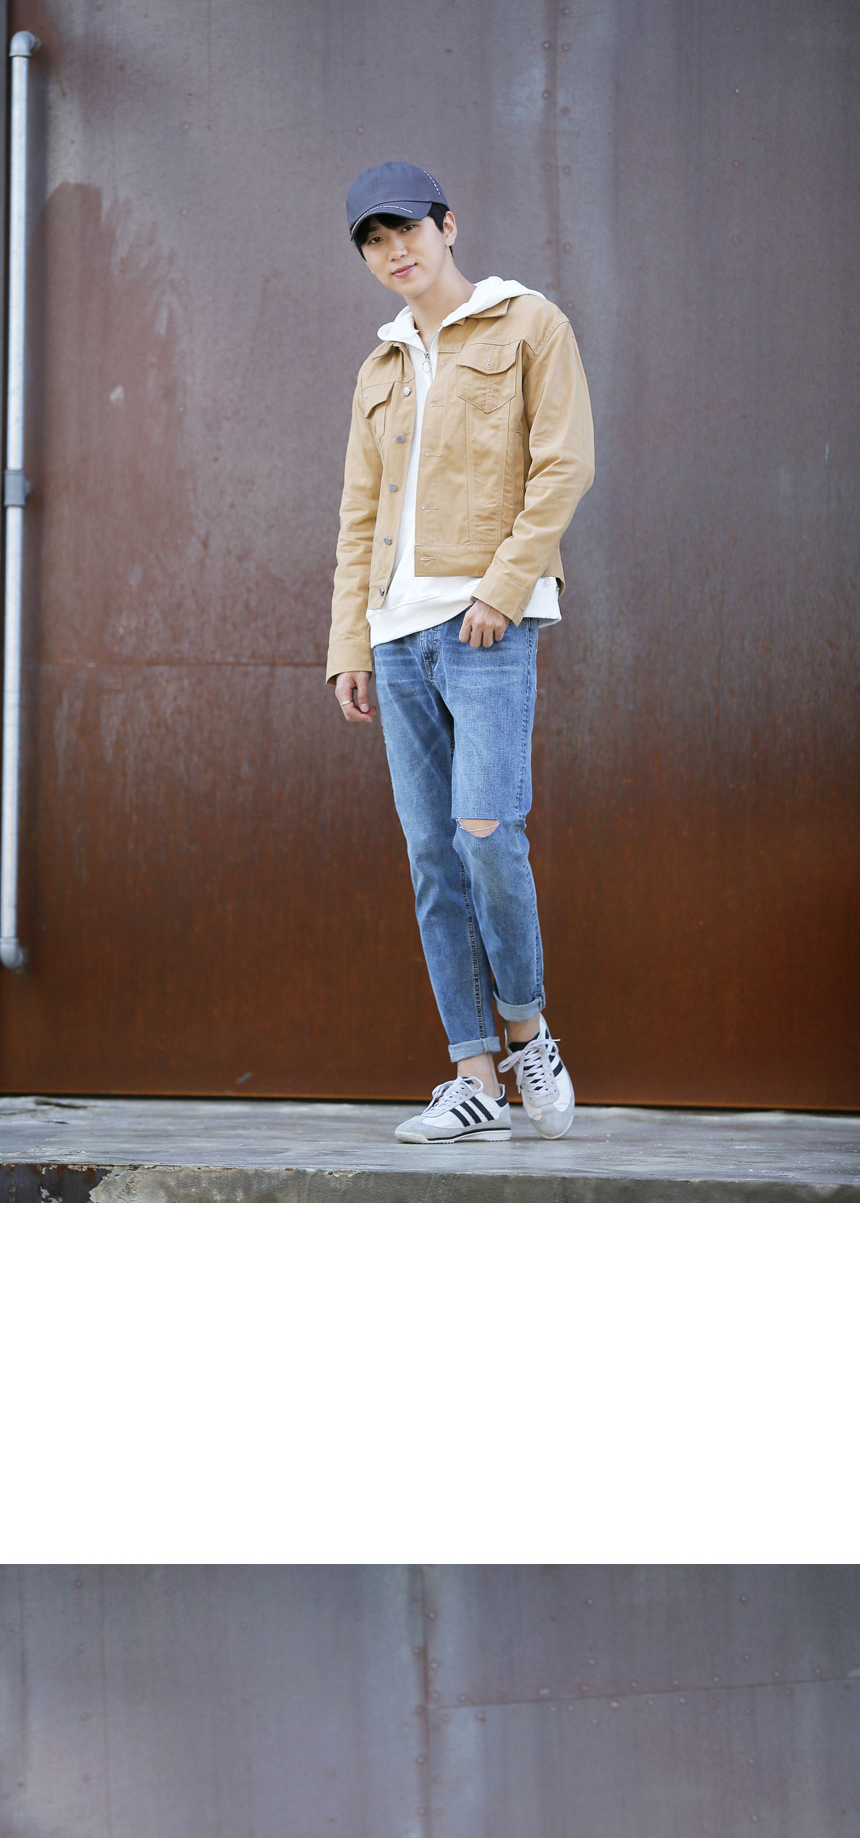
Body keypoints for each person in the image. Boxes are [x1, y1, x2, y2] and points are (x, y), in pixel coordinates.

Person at [327, 167, 595, 1141]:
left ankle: (526, 1029)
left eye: (405, 228)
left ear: (448, 225)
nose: (393, 250)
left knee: (484, 835)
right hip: (395, 635)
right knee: (432, 858)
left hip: (485, 623)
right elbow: (360, 516)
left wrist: (503, 588)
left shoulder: (528, 325)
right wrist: (349, 642)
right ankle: (473, 1073)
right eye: (372, 239)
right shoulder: (380, 367)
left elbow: (564, 464)